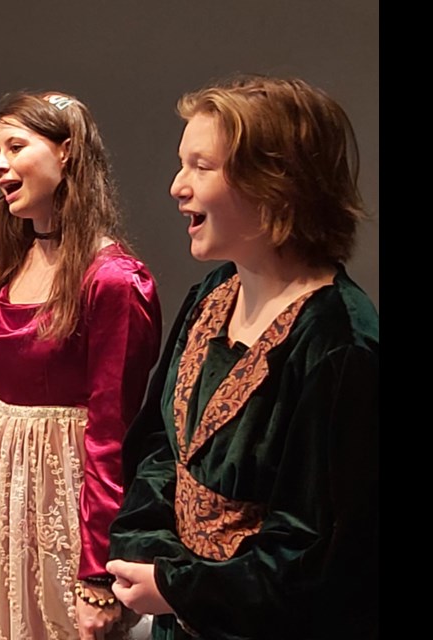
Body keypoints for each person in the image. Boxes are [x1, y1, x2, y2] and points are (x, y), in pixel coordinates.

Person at [105, 76, 379, 640]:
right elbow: (159, 449)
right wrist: (156, 562)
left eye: (202, 166)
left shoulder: (338, 342)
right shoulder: (213, 294)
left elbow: (319, 551)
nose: (177, 186)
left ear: (276, 182)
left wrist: (184, 589)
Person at [0, 91, 162, 640]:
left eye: (16, 146)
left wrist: (95, 571)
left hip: (59, 494)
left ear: (66, 153)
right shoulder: (12, 259)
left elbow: (113, 431)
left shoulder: (113, 280)